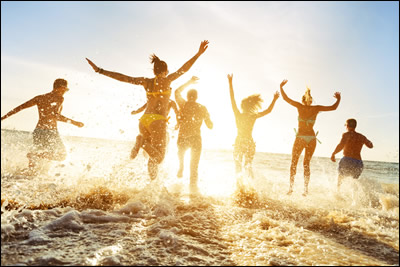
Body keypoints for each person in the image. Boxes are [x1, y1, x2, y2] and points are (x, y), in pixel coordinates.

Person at [86, 40, 209, 180]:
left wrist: (100, 70)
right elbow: (184, 68)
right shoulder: (168, 80)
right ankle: (141, 142)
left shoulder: (146, 81)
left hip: (144, 121)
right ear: (165, 71)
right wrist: (198, 54)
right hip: (157, 121)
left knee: (153, 156)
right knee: (160, 158)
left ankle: (151, 185)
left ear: (154, 70)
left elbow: (124, 78)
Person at [1, 78, 84, 175]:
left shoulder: (39, 98)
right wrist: (74, 122)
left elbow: (20, 107)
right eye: (65, 90)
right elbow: (55, 115)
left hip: (38, 131)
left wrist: (3, 117)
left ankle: (25, 179)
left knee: (36, 165)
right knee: (61, 156)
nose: (65, 92)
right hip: (50, 132)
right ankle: (33, 158)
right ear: (60, 88)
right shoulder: (59, 98)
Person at [280, 79, 341, 196]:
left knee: (294, 163)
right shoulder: (316, 108)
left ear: (303, 100)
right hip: (312, 138)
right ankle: (305, 190)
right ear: (311, 100)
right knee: (306, 164)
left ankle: (291, 189)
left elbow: (285, 98)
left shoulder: (299, 106)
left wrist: (281, 87)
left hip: (301, 137)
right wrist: (339, 99)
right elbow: (333, 108)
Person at [228, 74, 280, 178]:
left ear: (242, 106)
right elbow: (268, 111)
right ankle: (251, 187)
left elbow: (232, 99)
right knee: (248, 166)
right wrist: (274, 99)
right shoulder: (253, 116)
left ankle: (239, 187)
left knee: (238, 165)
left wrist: (230, 83)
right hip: (249, 142)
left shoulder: (238, 114)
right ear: (251, 107)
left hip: (239, 141)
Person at [174, 76, 213, 194]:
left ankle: (181, 165)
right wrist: (208, 119)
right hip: (196, 138)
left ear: (187, 97)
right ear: (196, 97)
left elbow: (176, 92)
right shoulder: (202, 108)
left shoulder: (184, 104)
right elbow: (210, 126)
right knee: (194, 166)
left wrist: (189, 82)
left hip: (183, 136)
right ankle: (193, 192)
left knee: (181, 153)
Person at [331, 118, 373, 190]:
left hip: (347, 160)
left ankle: (338, 194)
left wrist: (333, 153)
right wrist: (365, 140)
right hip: (358, 162)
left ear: (347, 125)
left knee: (340, 179)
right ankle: (355, 197)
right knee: (354, 182)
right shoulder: (361, 136)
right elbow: (370, 146)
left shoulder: (346, 135)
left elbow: (341, 145)